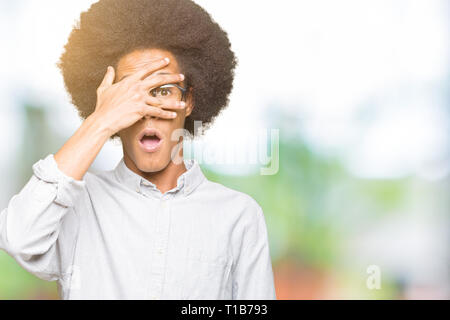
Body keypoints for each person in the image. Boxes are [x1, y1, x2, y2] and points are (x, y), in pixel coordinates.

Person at [0, 0, 276, 300]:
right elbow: (19, 238)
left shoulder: (238, 216)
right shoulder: (78, 205)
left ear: (189, 101)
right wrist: (100, 121)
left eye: (163, 91)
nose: (147, 110)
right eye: (129, 94)